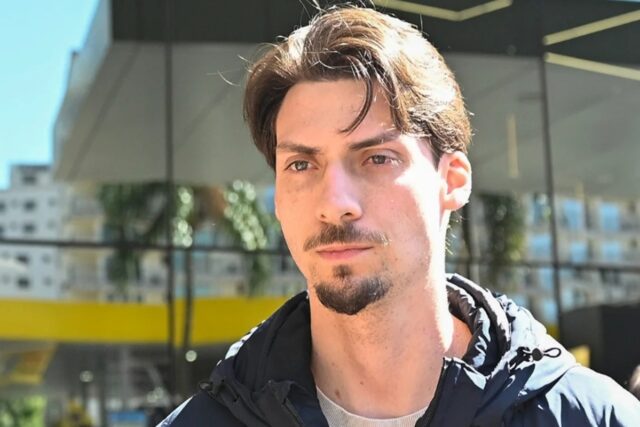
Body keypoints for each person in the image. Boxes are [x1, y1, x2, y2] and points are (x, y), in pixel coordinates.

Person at [160, 6, 640, 426]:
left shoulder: (592, 417)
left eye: (377, 158)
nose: (335, 202)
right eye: (302, 165)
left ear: (452, 181)